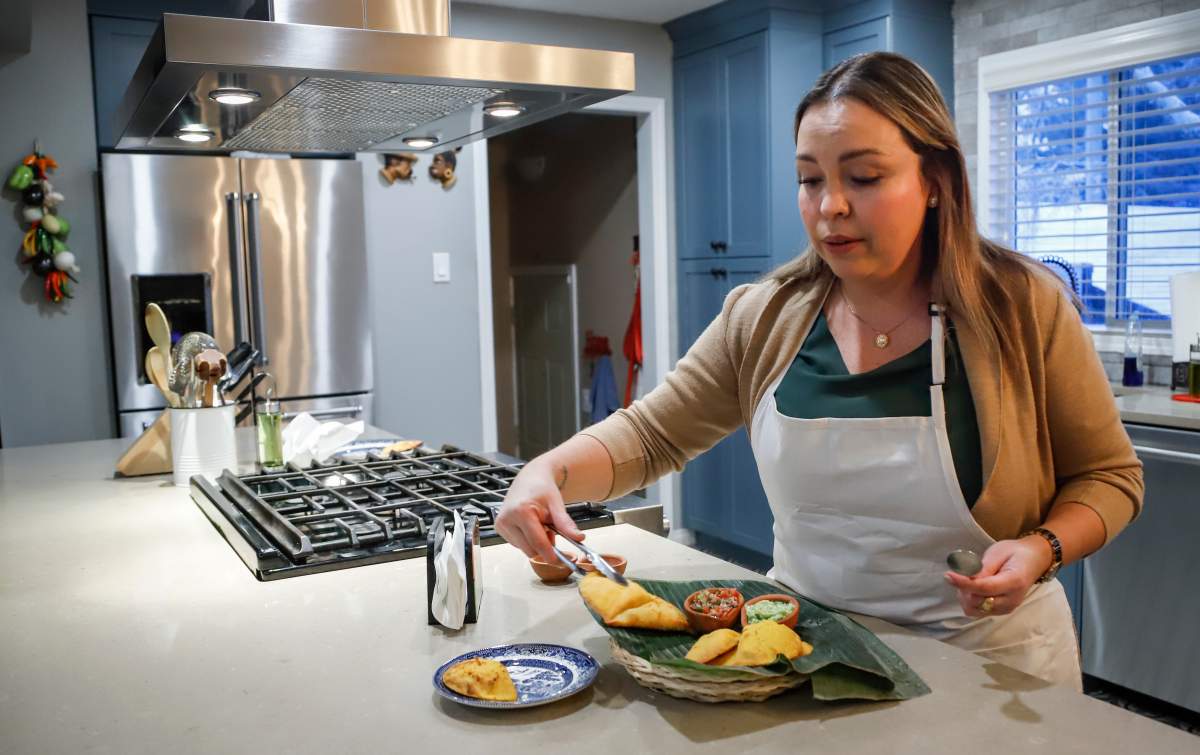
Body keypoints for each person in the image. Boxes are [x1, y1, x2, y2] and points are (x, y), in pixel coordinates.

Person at [495, 52, 1143, 689]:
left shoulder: (1021, 307)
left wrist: (1041, 548)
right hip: (811, 659)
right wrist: (545, 472)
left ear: (936, 180)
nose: (830, 205)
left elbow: (1109, 476)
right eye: (810, 179)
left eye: (863, 177)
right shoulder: (763, 316)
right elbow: (651, 435)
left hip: (994, 669)